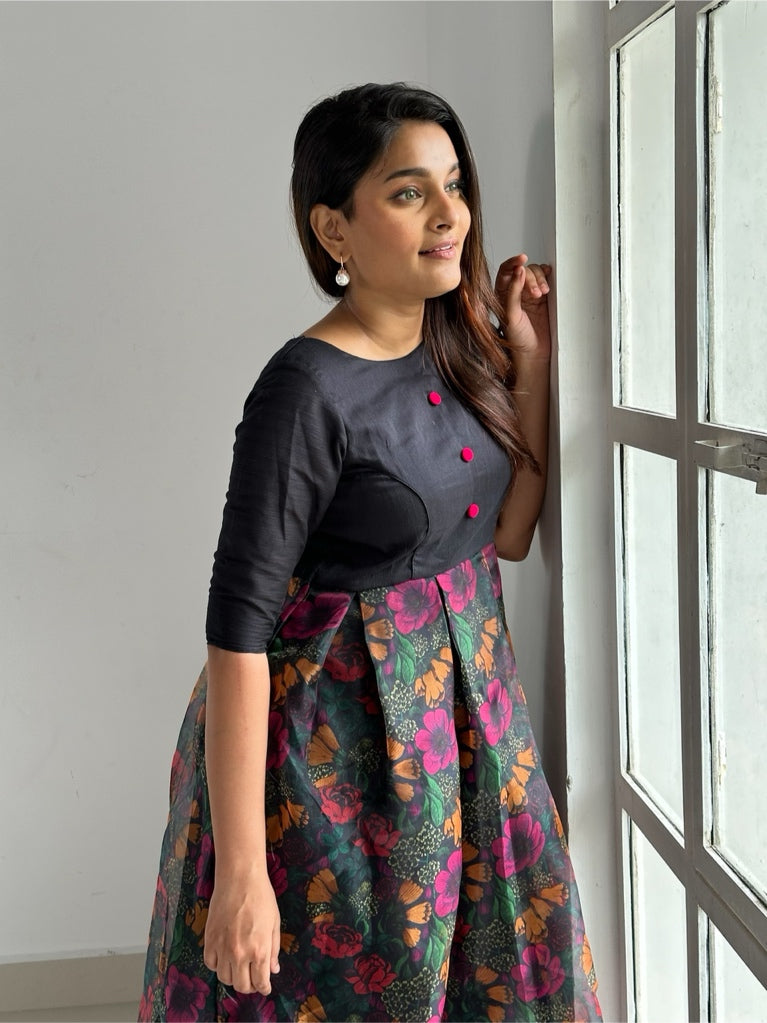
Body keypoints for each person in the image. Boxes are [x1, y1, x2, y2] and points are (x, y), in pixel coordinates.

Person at [138, 82, 601, 1023]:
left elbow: (507, 533)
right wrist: (241, 873)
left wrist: (532, 361)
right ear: (333, 229)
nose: (449, 215)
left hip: (470, 731)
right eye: (407, 192)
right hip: (336, 764)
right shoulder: (304, 390)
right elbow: (237, 638)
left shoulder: (457, 348)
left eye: (454, 184)